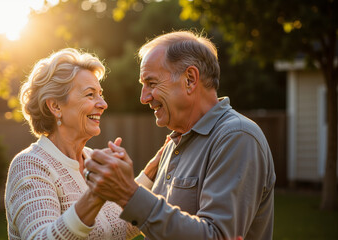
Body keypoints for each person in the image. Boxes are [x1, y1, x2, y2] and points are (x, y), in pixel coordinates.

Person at [84, 31, 276, 239]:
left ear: (190, 80)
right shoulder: (175, 142)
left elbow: (215, 235)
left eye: (151, 83)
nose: (143, 97)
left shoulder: (237, 137)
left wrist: (129, 194)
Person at [4, 48, 164, 240]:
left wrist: (150, 173)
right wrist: (97, 194)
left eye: (100, 94)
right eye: (90, 95)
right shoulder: (30, 165)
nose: (103, 104)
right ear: (55, 106)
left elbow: (117, 228)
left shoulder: (90, 157)